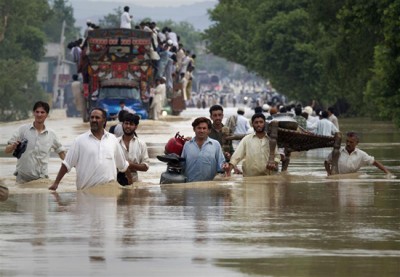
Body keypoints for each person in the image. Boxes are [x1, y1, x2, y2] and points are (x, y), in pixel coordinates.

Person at [49, 108, 129, 191]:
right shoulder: (79, 141)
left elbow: (123, 165)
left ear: (104, 120)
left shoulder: (112, 140)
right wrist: (56, 183)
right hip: (86, 194)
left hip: (109, 194)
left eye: (97, 118)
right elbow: (66, 164)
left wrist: (131, 182)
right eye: (92, 117)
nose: (94, 120)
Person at [5, 101, 66, 183]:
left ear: (47, 115)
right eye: (37, 112)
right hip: (22, 180)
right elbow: (6, 150)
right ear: (33, 113)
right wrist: (13, 146)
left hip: (41, 181)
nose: (39, 115)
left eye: (42, 112)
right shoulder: (23, 130)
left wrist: (75, 166)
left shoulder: (51, 135)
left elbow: (61, 153)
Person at [181, 117, 229, 182]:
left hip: (209, 187)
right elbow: (182, 165)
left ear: (209, 130)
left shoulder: (215, 144)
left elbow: (221, 164)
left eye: (204, 128)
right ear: (194, 129)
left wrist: (225, 166)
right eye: (199, 128)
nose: (201, 131)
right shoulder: (187, 145)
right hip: (190, 186)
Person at [324, 131, 391, 176]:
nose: (348, 144)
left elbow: (375, 162)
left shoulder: (361, 154)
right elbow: (326, 162)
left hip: (352, 180)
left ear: (357, 143)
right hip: (338, 180)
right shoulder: (338, 151)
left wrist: (388, 173)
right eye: (347, 141)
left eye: (351, 142)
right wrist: (329, 173)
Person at [117, 113, 149, 185]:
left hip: (134, 184)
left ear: (136, 127)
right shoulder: (115, 142)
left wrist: (131, 165)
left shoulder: (141, 144)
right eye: (126, 123)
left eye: (131, 124)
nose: (128, 126)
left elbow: (145, 167)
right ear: (122, 124)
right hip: (116, 182)